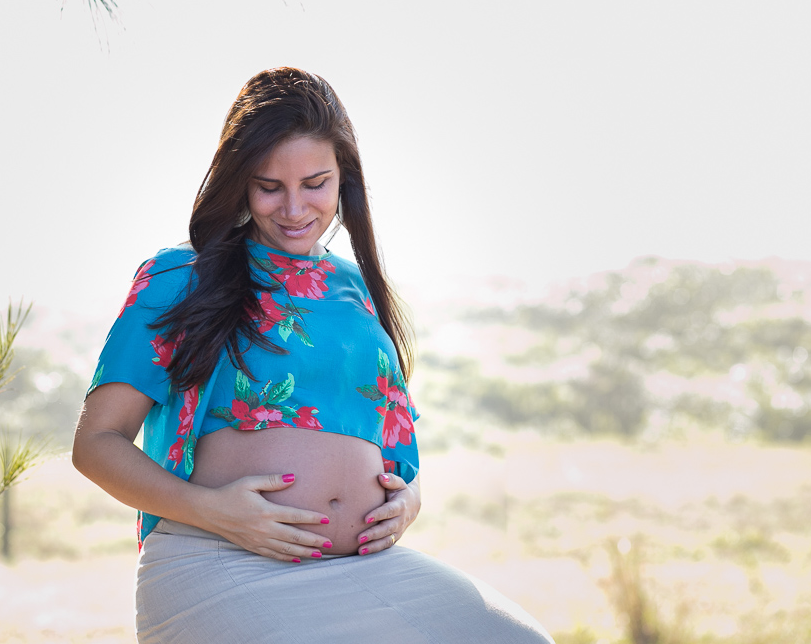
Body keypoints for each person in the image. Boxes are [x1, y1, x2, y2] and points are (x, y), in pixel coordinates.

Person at [73, 67, 553, 643]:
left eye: (315, 183)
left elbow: (392, 443)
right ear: (240, 183)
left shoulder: (356, 290)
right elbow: (95, 444)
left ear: (344, 177)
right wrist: (211, 509)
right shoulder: (180, 275)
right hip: (220, 557)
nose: (294, 207)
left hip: (362, 567)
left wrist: (410, 501)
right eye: (269, 186)